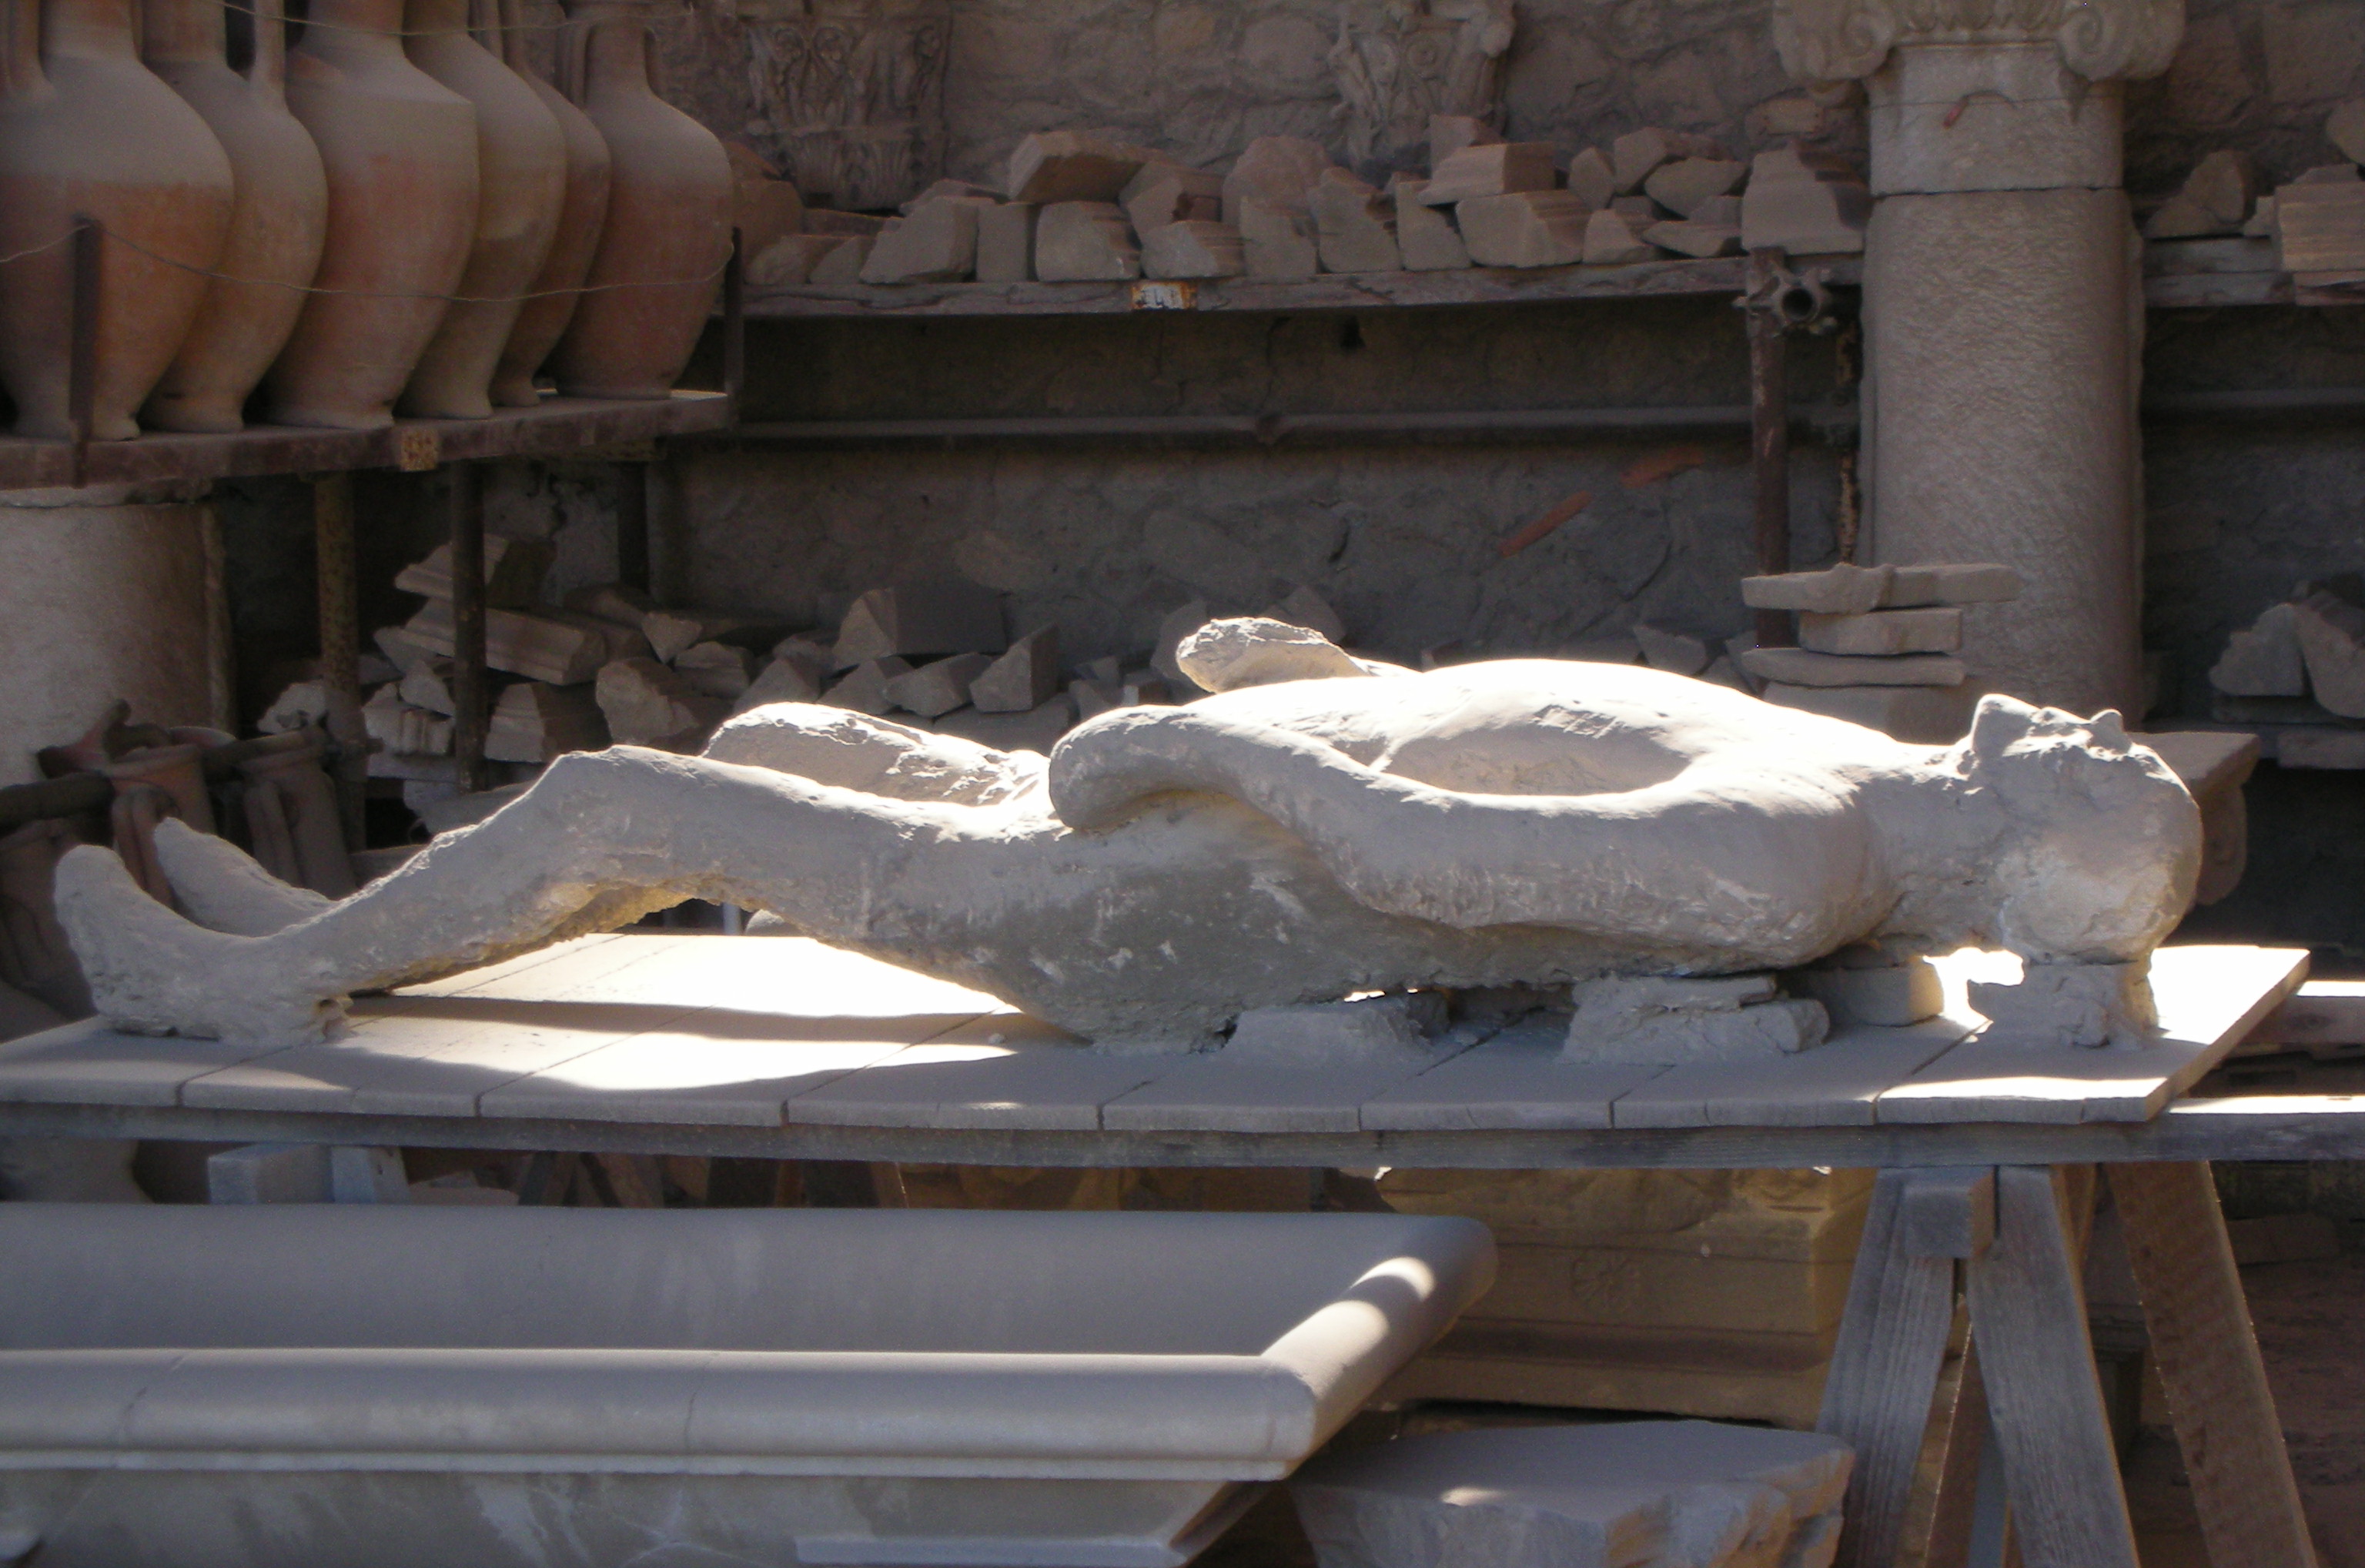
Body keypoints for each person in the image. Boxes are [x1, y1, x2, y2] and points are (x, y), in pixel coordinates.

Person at [54, 621, 2200, 1051]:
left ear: (2043, 849)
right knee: (790, 727)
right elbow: (1520, 783)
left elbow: (1433, 874)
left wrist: (1256, 767)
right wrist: (1325, 680)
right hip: (1187, 808)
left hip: (1136, 901)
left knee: (630, 796)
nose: (2088, 719)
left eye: (2103, 761)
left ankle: (236, 986)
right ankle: (355, 925)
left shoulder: (1789, 859)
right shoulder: (1829, 781)